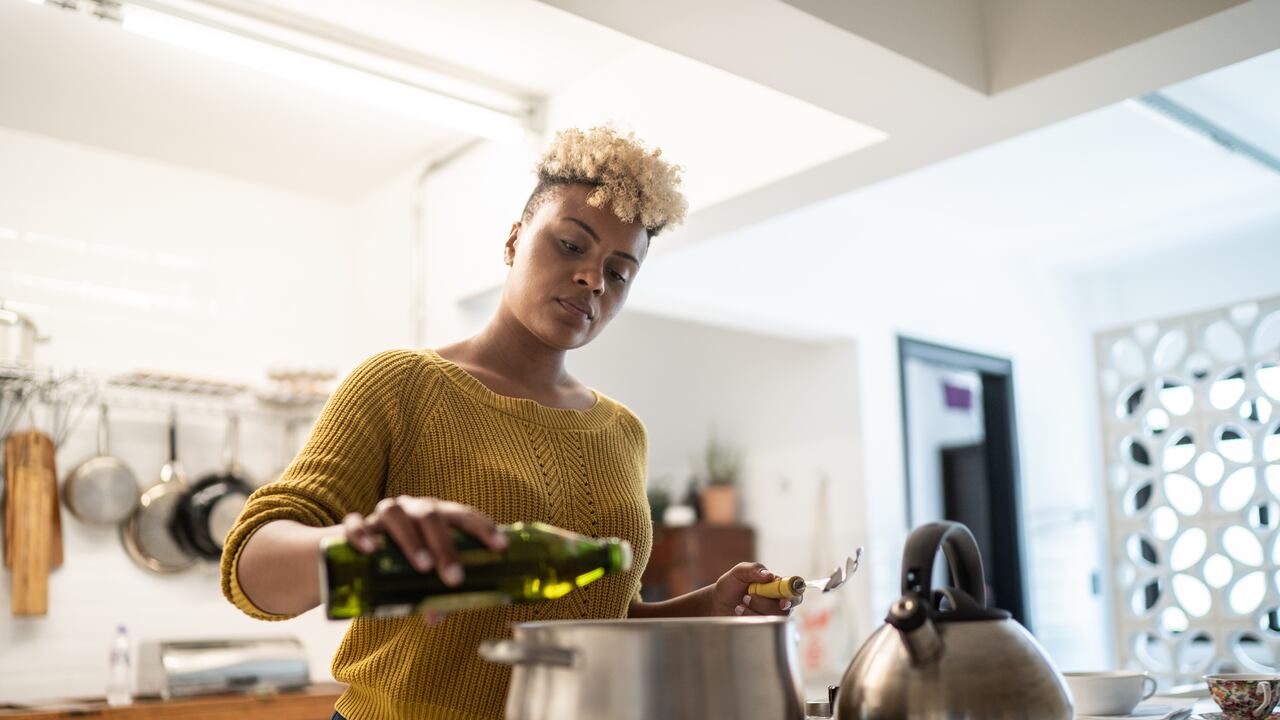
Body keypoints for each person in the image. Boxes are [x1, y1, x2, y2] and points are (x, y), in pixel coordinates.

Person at [220, 126, 792, 720]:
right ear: (515, 240)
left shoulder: (623, 432)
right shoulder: (401, 384)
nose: (594, 279)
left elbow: (599, 617)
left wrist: (706, 607)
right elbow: (250, 567)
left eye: (619, 272)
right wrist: (355, 546)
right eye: (571, 245)